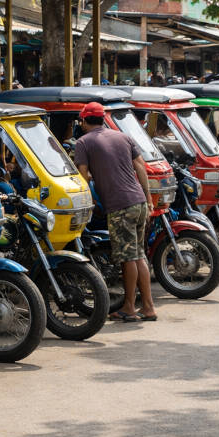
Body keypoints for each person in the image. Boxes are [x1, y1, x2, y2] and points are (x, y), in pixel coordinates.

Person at [74, 102, 155, 322]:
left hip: (120, 206)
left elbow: (84, 177)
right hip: (138, 201)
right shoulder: (123, 137)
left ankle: (130, 307)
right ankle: (148, 307)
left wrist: (87, 202)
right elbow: (140, 166)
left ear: (83, 121)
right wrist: (148, 199)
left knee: (128, 258)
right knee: (138, 255)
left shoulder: (83, 142)